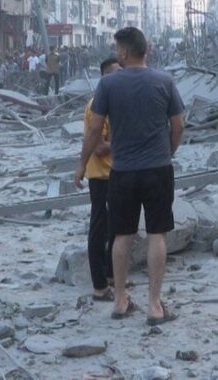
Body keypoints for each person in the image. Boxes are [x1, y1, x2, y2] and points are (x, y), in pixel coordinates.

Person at [75, 27, 185, 326]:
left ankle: (121, 301)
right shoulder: (165, 81)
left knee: (121, 235)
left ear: (123, 52)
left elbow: (95, 130)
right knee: (157, 235)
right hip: (158, 170)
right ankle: (154, 307)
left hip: (122, 172)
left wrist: (81, 165)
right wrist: (169, 152)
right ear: (146, 50)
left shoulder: (108, 85)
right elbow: (178, 125)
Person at [84, 57, 122, 302]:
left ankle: (111, 276)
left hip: (117, 172)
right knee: (99, 228)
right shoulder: (95, 106)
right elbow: (98, 148)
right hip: (100, 175)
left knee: (116, 227)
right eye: (117, 73)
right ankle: (99, 285)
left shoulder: (115, 103)